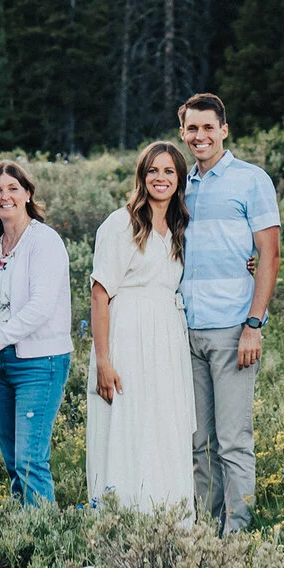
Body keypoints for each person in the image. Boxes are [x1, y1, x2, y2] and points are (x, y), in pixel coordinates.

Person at [176, 93, 283, 535]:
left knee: (233, 441)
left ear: (224, 129)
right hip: (184, 329)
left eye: (208, 127)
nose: (200, 136)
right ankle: (204, 527)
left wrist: (254, 324)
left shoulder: (250, 180)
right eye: (191, 129)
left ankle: (236, 533)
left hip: (233, 327)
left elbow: (270, 253)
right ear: (182, 133)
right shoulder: (178, 183)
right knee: (197, 441)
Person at [85, 141, 196, 514]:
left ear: (179, 178)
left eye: (168, 171)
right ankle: (125, 514)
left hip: (167, 336)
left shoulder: (180, 226)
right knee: (129, 424)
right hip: (127, 334)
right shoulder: (122, 223)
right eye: (153, 170)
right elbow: (100, 294)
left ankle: (168, 516)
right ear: (141, 176)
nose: (160, 178)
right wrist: (104, 360)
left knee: (164, 424)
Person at [0, 159, 73, 505]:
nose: (5, 196)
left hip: (39, 362)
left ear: (27, 194)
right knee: (12, 460)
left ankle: (47, 543)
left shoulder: (44, 241)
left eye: (12, 188)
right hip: (0, 365)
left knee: (29, 460)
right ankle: (23, 539)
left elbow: (39, 307)